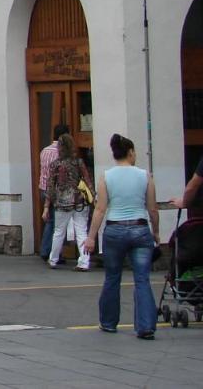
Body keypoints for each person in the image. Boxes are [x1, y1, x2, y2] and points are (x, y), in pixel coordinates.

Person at [82, 133, 159, 339]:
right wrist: (156, 232)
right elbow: (152, 209)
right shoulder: (145, 175)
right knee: (142, 278)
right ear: (131, 152)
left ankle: (108, 322)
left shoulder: (106, 176)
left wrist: (91, 237)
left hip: (114, 230)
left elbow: (100, 209)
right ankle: (145, 326)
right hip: (140, 229)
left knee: (112, 277)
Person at [45, 133, 92, 271]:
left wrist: (46, 206)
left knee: (59, 231)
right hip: (79, 201)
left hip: (62, 202)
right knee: (81, 231)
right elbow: (87, 180)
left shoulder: (55, 165)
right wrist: (92, 196)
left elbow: (50, 187)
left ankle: (53, 259)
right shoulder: (78, 162)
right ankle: (84, 262)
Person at [38, 123, 71, 262]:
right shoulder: (60, 153)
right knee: (57, 222)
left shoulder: (44, 150)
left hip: (43, 187)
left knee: (51, 220)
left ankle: (48, 250)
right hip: (56, 189)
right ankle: (51, 251)